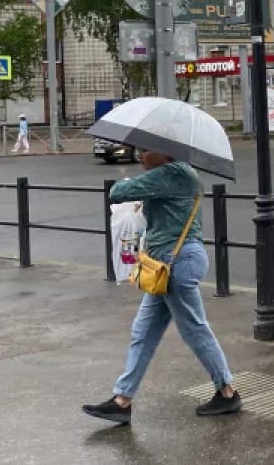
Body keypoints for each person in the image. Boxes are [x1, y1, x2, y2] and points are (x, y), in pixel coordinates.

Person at [82, 150, 239, 425]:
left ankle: (227, 391)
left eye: (145, 150)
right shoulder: (174, 174)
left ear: (164, 151)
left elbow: (118, 191)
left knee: (194, 329)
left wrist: (132, 183)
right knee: (143, 331)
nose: (139, 156)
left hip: (176, 263)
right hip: (165, 265)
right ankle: (122, 400)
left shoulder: (172, 172)